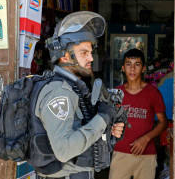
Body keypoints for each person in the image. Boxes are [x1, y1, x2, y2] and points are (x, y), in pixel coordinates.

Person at [35, 11, 125, 179]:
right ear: (65, 56)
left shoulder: (75, 88)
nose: (91, 58)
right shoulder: (59, 92)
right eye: (84, 52)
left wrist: (108, 131)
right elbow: (63, 150)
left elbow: (80, 132)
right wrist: (102, 118)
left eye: (90, 52)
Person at [109, 48, 168, 179]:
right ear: (123, 68)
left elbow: (163, 122)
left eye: (137, 64)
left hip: (146, 154)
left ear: (143, 69)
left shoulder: (153, 93)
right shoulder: (116, 94)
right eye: (128, 64)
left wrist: (146, 138)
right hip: (120, 152)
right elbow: (108, 122)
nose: (132, 69)